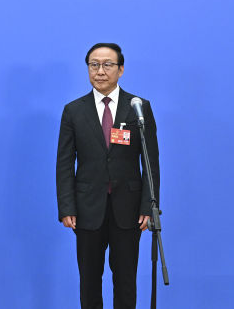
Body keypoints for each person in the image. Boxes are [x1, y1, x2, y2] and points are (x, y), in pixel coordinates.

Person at [56, 42, 160, 309]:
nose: (100, 71)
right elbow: (64, 164)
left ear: (121, 69)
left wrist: (148, 206)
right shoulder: (73, 110)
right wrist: (67, 207)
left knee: (125, 280)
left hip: (129, 209)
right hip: (87, 209)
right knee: (89, 280)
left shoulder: (138, 107)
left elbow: (150, 162)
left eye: (107, 65)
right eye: (94, 65)